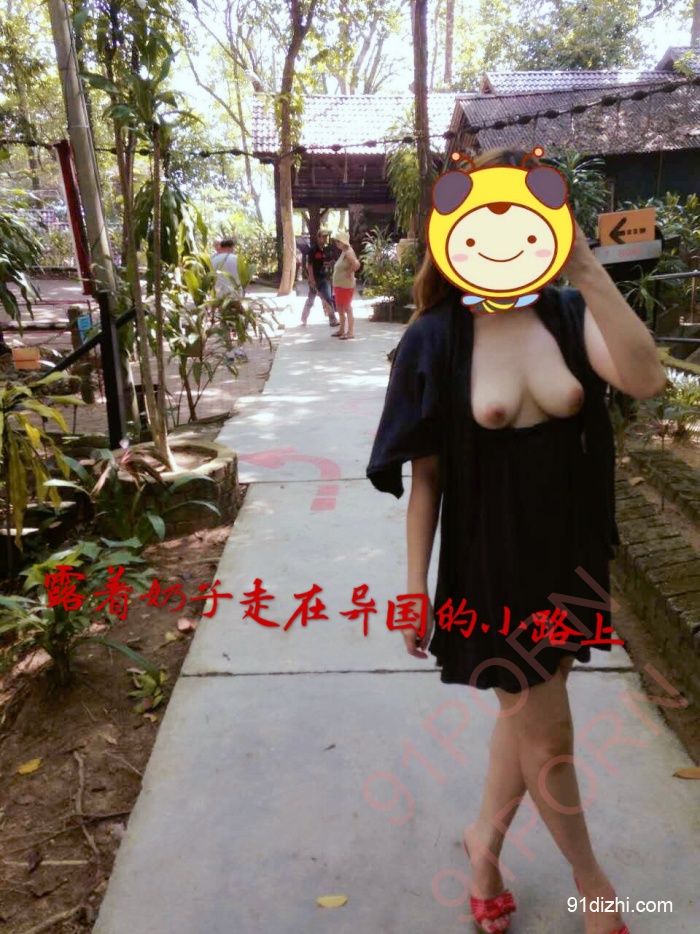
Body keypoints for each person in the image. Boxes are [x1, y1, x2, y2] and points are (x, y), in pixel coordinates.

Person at [366, 147, 667, 934]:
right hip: (491, 565)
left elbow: (645, 378)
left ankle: (484, 846)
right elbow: (427, 480)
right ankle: (593, 885)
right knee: (547, 726)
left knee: (526, 717)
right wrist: (412, 587)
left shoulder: (566, 314)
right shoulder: (435, 339)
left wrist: (588, 269)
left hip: (569, 552)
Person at [301, 229, 339, 327]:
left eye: (326, 237)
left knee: (328, 298)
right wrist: (311, 280)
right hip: (315, 279)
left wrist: (329, 264)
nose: (325, 239)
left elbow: (321, 263)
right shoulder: (313, 250)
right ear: (318, 238)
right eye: (323, 237)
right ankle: (304, 317)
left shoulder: (324, 250)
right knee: (311, 300)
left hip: (324, 278)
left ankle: (332, 319)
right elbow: (309, 265)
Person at [331, 230, 361, 339]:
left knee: (347, 307)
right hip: (340, 285)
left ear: (343, 241)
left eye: (338, 241)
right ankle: (342, 329)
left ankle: (350, 332)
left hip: (345, 286)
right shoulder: (344, 251)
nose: (336, 243)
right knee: (340, 307)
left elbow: (356, 264)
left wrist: (349, 273)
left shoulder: (348, 252)